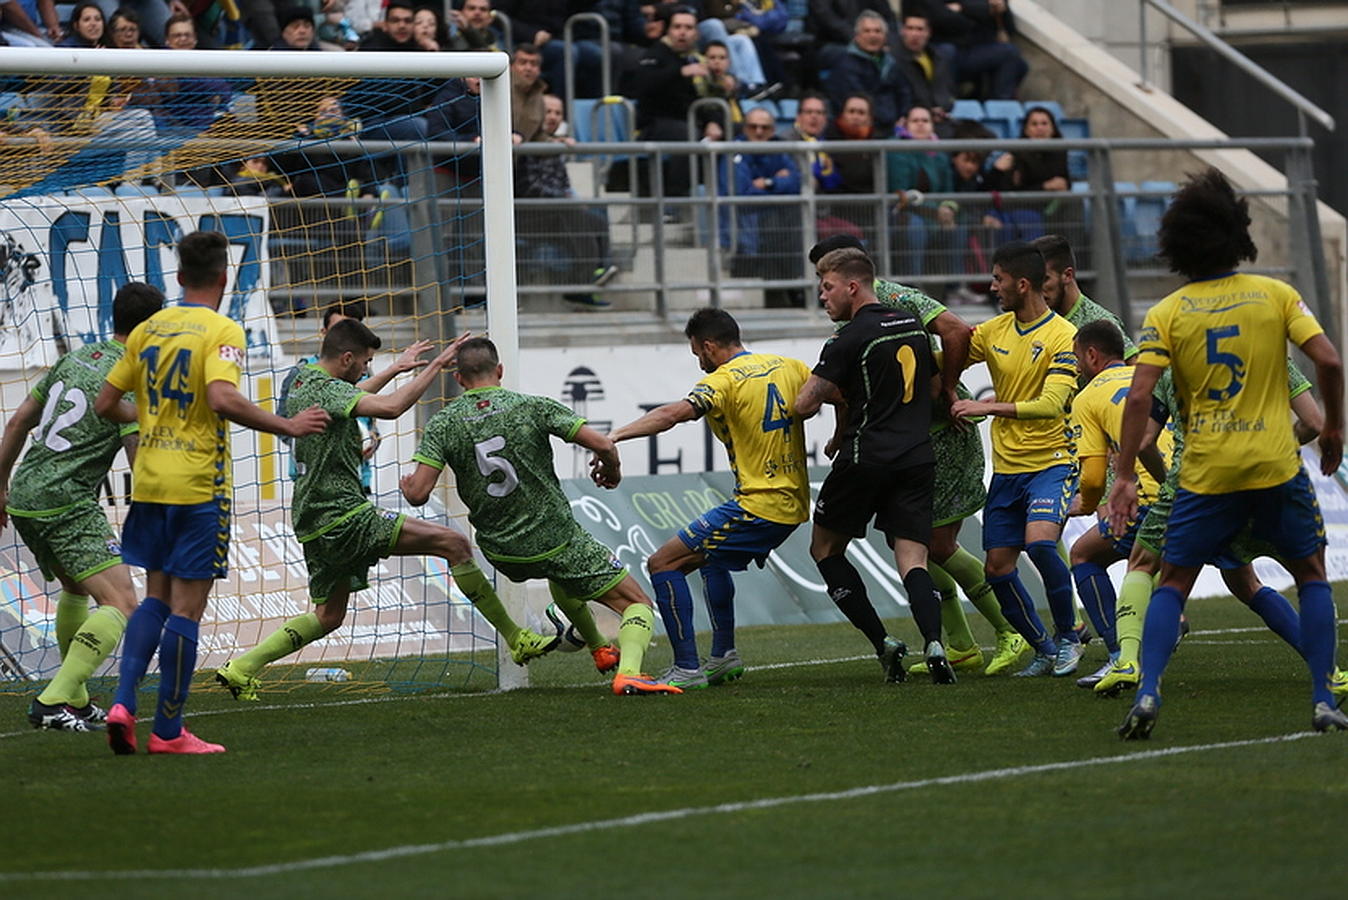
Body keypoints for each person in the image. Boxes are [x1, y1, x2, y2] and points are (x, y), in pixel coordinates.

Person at [1105, 168, 1348, 737]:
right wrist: (1334, 428)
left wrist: (1123, 477)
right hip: (1273, 463)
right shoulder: (1275, 295)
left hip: (1205, 471)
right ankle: (1322, 697)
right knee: (1310, 575)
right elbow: (1331, 361)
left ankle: (1146, 692)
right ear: (1240, 233)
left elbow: (1140, 395)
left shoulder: (1166, 313)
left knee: (1171, 581)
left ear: (1175, 245)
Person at [216, 323, 560, 698]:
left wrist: (396, 370)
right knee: (454, 543)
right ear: (347, 358)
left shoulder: (305, 380)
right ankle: (516, 637)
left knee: (328, 616)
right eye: (364, 362)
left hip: (312, 520)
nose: (366, 369)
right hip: (343, 515)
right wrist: (435, 366)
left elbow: (353, 393)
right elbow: (392, 408)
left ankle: (241, 667)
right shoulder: (326, 388)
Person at [93, 231, 331, 755]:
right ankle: (169, 731)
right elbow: (221, 398)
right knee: (187, 609)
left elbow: (106, 402)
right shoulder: (221, 329)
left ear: (177, 278)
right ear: (225, 278)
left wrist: (153, 418)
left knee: (154, 597)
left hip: (149, 481)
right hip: (198, 485)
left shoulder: (147, 329)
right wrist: (286, 425)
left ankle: (122, 703)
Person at [400, 337, 680, 696]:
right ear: (500, 371)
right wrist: (611, 470)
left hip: (502, 553)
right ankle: (628, 672)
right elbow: (604, 444)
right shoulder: (532, 407)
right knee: (637, 603)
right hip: (557, 539)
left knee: (559, 576)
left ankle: (598, 648)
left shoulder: (444, 424)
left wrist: (408, 486)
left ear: (458, 379)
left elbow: (419, 493)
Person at [807, 234, 1026, 677]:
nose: (820, 290)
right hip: (908, 443)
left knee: (937, 545)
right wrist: (840, 429)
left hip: (937, 432)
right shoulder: (860, 316)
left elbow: (958, 329)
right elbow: (856, 386)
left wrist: (944, 389)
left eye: (824, 279)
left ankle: (1011, 630)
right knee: (913, 545)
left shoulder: (891, 300)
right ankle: (957, 645)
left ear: (851, 277)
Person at [608, 308, 811, 689]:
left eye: (697, 353)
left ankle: (687, 667)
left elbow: (672, 414)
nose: (698, 361)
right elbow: (833, 393)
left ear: (708, 346)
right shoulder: (790, 366)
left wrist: (615, 436)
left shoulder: (723, 380)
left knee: (663, 563)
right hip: (794, 501)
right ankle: (723, 656)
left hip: (759, 504)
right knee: (710, 560)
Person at [0, 283, 162, 731]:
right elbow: (136, 459)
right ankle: (52, 700)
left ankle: (76, 696)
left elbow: (17, 421)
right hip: (66, 501)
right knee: (124, 603)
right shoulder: (128, 379)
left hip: (27, 494)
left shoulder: (74, 359)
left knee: (75, 589)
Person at [795, 247, 953, 683]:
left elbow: (804, 405)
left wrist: (820, 384)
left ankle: (883, 643)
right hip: (917, 456)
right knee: (913, 558)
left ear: (852, 286)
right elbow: (935, 386)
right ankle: (934, 642)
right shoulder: (913, 325)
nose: (822, 297)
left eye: (826, 288)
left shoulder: (847, 339)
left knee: (825, 549)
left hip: (865, 458)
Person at [950, 240, 1081, 677]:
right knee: (998, 566)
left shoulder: (1064, 336)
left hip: (1052, 460)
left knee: (1042, 543)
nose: (993, 287)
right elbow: (947, 355)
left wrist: (986, 408)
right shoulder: (993, 332)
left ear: (1022, 284)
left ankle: (1069, 638)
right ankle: (1042, 647)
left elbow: (1051, 403)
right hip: (1008, 468)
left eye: (999, 279)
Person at [1066, 320, 1172, 687]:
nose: (1078, 366)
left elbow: (1093, 478)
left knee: (1083, 554)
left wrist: (1084, 504)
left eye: (1078, 357)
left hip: (1145, 499)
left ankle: (1119, 656)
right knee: (1243, 579)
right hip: (1191, 488)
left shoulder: (1088, 397)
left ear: (1092, 355)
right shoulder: (1149, 381)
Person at [279, 304, 427, 495]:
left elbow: (370, 421)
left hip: (357, 476)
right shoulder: (304, 375)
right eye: (340, 328)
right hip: (319, 481)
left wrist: (371, 441)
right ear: (326, 333)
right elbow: (284, 422)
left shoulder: (360, 370)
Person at [622, 5, 705, 199]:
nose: (682, 33)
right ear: (668, 30)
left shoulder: (695, 58)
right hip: (655, 124)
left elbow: (705, 99)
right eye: (677, 27)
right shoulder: (655, 54)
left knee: (731, 131)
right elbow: (643, 85)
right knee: (687, 136)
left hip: (689, 120)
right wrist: (679, 73)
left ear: (696, 33)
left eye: (688, 28)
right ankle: (675, 200)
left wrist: (714, 122)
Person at [720, 106, 801, 284]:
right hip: (744, 236)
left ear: (772, 130)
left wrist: (768, 183)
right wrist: (779, 190)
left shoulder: (779, 150)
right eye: (753, 127)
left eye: (764, 128)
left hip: (776, 231)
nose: (758, 132)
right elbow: (743, 195)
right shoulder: (733, 153)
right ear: (744, 129)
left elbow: (797, 183)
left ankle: (794, 292)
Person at [1033, 233, 1135, 365]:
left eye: (1044, 279)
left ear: (1067, 275)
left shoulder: (1098, 321)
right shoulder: (1032, 320)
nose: (1036, 289)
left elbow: (1133, 370)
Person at [914, 0, 1027, 101]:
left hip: (981, 49)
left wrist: (1003, 10)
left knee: (1018, 62)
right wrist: (982, 8)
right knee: (1009, 53)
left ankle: (999, 106)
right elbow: (945, 18)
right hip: (951, 50)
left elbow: (1010, 29)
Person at [824, 10, 910, 136]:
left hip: (893, 127)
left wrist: (904, 115)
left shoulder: (892, 63)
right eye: (867, 31)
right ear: (857, 36)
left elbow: (904, 92)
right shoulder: (845, 64)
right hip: (862, 131)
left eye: (877, 31)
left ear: (885, 37)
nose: (873, 35)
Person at [894, 12, 956, 129]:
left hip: (940, 119)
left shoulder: (938, 57)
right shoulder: (894, 60)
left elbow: (948, 89)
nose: (914, 34)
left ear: (928, 33)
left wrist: (944, 107)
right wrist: (928, 111)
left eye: (920, 29)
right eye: (910, 28)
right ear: (902, 31)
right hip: (910, 120)